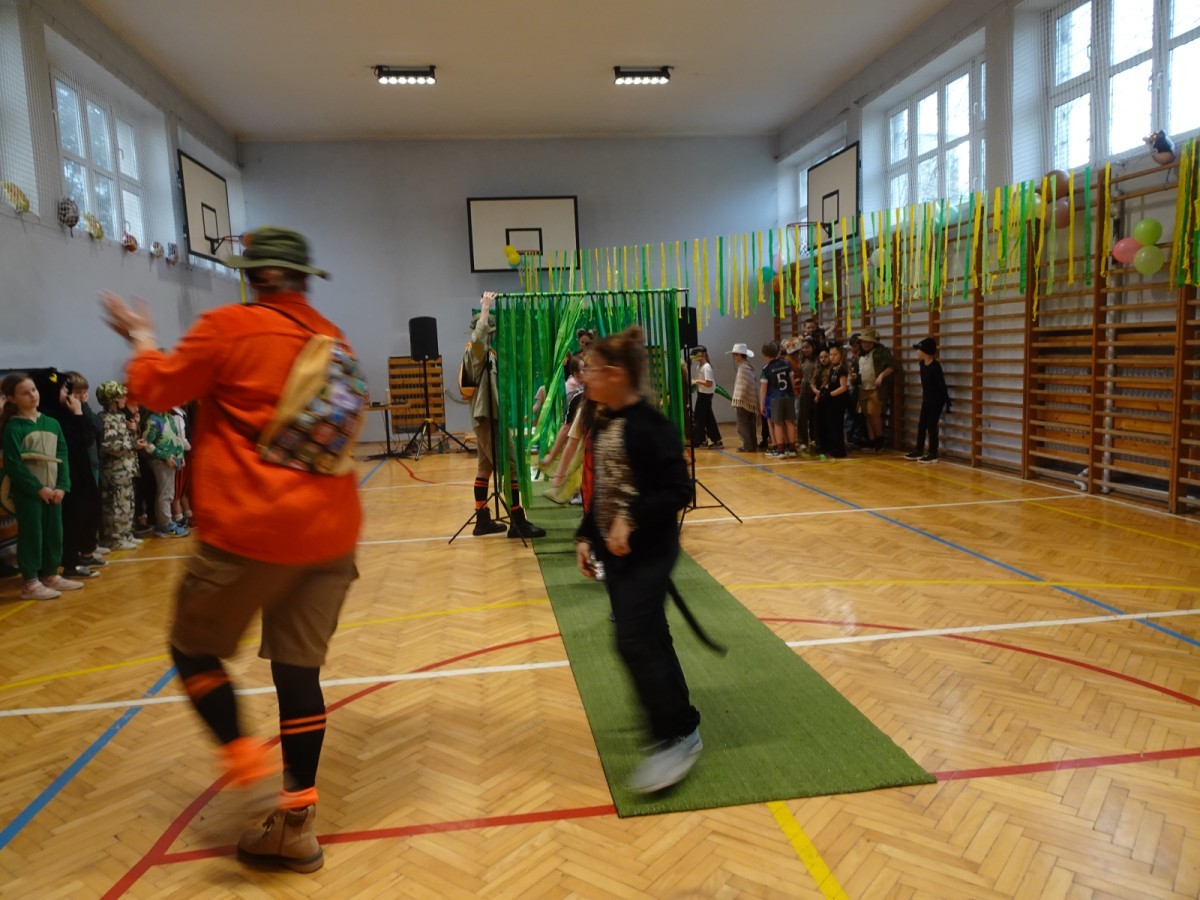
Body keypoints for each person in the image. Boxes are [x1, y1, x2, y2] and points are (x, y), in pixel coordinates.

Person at [100, 225, 364, 874]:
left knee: (191, 648)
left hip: (252, 530)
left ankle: (243, 755)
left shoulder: (228, 327)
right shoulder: (333, 336)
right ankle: (295, 825)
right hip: (330, 532)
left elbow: (156, 390)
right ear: (302, 280)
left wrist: (140, 339)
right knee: (299, 674)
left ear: (255, 276)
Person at [574, 325, 699, 793]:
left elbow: (679, 490)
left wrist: (632, 517)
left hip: (651, 551)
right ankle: (682, 722)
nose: (584, 376)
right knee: (649, 635)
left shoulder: (652, 427)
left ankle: (673, 737)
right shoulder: (604, 421)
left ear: (616, 374)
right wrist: (586, 535)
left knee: (632, 640)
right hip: (617, 554)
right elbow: (604, 489)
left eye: (591, 369)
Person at [464, 291, 545, 538]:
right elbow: (478, 339)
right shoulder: (475, 352)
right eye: (491, 332)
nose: (493, 335)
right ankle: (517, 521)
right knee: (511, 467)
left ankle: (482, 519)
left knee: (485, 468)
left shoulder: (486, 355)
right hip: (488, 419)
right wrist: (485, 309)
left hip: (488, 417)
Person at [0, 372, 80, 600]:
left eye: (34, 390)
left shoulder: (52, 423)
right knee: (32, 535)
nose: (33, 395)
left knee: (54, 533)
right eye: (25, 393)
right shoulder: (14, 428)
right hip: (30, 494)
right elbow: (14, 465)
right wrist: (37, 488)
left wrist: (62, 486)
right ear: (12, 398)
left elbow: (62, 456)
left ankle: (51, 575)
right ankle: (30, 582)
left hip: (54, 491)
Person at [47, 372, 106, 578]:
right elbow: (82, 438)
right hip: (71, 473)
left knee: (91, 513)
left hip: (88, 468)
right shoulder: (60, 416)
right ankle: (71, 561)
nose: (80, 396)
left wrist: (84, 408)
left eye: (84, 393)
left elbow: (96, 429)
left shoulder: (79, 409)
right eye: (75, 392)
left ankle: (87, 553)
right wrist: (78, 413)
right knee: (75, 518)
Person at [96, 380, 142, 551]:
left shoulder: (121, 417)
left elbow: (126, 440)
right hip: (115, 470)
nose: (124, 399)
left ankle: (126, 533)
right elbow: (108, 445)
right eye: (121, 397)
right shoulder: (104, 419)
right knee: (116, 505)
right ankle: (115, 538)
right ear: (112, 400)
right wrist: (132, 445)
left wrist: (134, 432)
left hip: (127, 468)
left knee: (127, 504)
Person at [141, 405, 189, 538]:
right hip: (161, 462)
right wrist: (165, 456)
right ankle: (166, 524)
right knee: (165, 493)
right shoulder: (153, 420)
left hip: (173, 461)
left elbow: (177, 439)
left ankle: (164, 522)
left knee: (168, 492)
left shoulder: (170, 418)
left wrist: (180, 455)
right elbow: (146, 444)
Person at [905, 337, 950, 463]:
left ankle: (932, 453)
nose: (917, 352)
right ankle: (919, 450)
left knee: (931, 425)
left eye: (919, 349)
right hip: (927, 398)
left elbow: (941, 385)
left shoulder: (935, 367)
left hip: (937, 400)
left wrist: (946, 400)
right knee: (922, 424)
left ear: (926, 351)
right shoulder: (921, 364)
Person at [857, 327, 895, 450]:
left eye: (869, 342)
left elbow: (891, 366)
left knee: (875, 414)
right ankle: (871, 439)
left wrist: (881, 376)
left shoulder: (881, 352)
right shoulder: (860, 354)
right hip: (863, 387)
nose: (866, 344)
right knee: (866, 414)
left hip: (875, 388)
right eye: (864, 341)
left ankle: (879, 438)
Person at [759, 340, 796, 458]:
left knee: (778, 423)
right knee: (790, 422)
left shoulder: (766, 369)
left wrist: (762, 404)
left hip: (775, 398)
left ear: (765, 355)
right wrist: (792, 393)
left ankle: (780, 450)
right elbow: (792, 381)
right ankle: (792, 449)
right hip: (788, 396)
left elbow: (763, 389)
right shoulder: (787, 364)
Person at [816, 345, 850, 458]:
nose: (832, 357)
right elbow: (831, 383)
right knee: (831, 425)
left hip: (839, 401)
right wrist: (824, 390)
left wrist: (830, 394)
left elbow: (843, 387)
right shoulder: (832, 368)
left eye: (835, 355)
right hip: (832, 401)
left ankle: (839, 450)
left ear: (841, 356)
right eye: (831, 354)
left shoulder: (842, 369)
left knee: (837, 426)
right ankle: (832, 448)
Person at [726, 342, 758, 452]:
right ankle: (752, 444)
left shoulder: (743, 368)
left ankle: (748, 445)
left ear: (739, 355)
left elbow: (742, 386)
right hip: (748, 401)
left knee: (743, 424)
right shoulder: (748, 367)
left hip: (742, 401)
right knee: (750, 423)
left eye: (735, 354)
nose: (734, 357)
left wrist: (738, 399)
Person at [689, 346, 722, 449]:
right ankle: (716, 440)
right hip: (702, 393)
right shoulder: (699, 366)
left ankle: (701, 440)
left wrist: (696, 381)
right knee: (708, 418)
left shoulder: (706, 367)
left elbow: (709, 383)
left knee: (699, 418)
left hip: (706, 394)